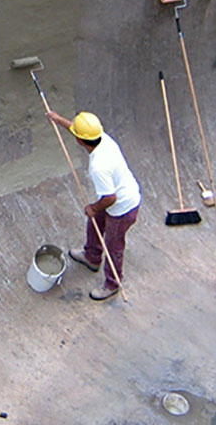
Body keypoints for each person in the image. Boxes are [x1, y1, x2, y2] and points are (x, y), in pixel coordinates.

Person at [46, 110, 141, 301]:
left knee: (114, 246)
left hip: (122, 208)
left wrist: (94, 208)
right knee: (95, 223)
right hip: (120, 194)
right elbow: (79, 131)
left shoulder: (99, 166)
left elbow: (110, 198)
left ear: (80, 142)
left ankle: (113, 283)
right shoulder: (103, 138)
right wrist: (58, 120)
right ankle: (92, 256)